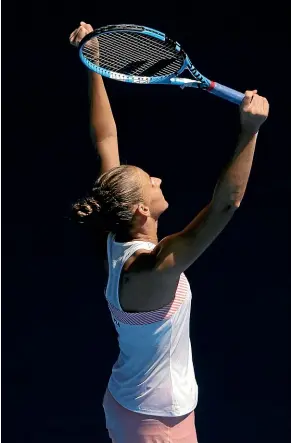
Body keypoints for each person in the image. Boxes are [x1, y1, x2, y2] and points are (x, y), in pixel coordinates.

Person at [69, 22, 269, 443]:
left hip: (134, 407)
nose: (158, 178)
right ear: (142, 209)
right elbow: (225, 206)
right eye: (150, 182)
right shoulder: (153, 267)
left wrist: (95, 64)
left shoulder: (118, 229)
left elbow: (105, 136)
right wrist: (250, 132)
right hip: (156, 427)